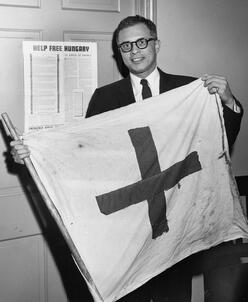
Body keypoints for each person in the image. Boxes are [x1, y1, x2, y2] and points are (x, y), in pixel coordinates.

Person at [11, 15, 243, 302]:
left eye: (142, 42)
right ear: (119, 53)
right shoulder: (105, 98)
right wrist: (35, 156)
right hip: (129, 233)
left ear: (157, 44)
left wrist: (229, 102)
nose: (134, 51)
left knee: (174, 296)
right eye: (125, 46)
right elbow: (84, 159)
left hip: (178, 224)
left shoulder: (189, 90)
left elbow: (216, 146)